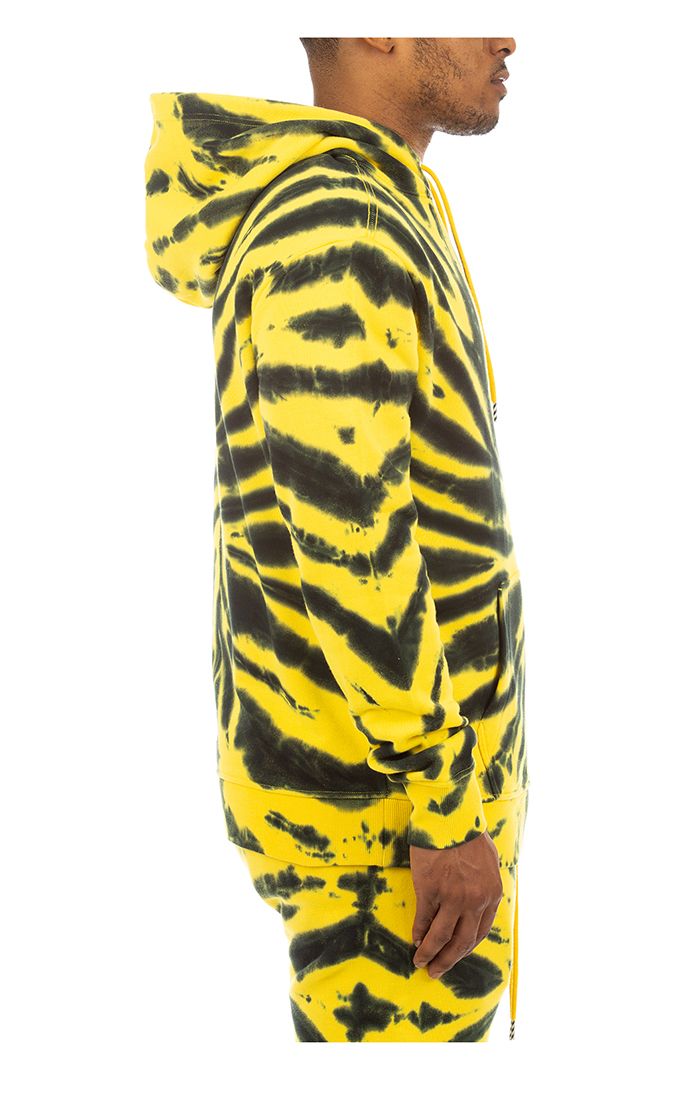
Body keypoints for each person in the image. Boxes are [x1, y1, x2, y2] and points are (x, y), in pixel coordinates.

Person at [144, 35, 529, 1043]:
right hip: (388, 829)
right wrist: (445, 806)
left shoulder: (372, 204)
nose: (505, 35)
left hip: (389, 813)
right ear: (377, 27)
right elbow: (349, 541)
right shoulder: (339, 221)